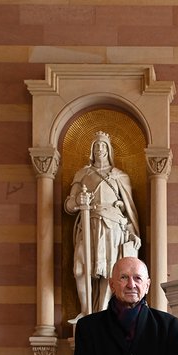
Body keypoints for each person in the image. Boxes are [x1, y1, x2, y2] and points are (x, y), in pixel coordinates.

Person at [65, 132, 141, 319]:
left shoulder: (120, 176)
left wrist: (132, 232)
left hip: (112, 227)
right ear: (92, 150)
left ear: (109, 150)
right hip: (88, 224)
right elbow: (68, 205)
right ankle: (85, 311)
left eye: (103, 145)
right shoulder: (83, 174)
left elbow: (129, 211)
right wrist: (78, 200)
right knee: (80, 268)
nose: (100, 149)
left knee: (108, 270)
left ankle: (102, 312)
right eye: (96, 145)